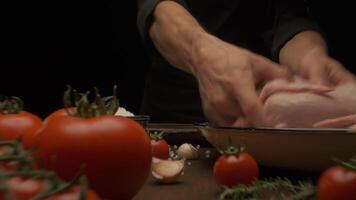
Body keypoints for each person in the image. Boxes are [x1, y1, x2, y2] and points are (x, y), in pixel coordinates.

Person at [136, 0, 355, 126]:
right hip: (174, 126)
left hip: (260, 128)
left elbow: (287, 13)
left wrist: (309, 54)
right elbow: (158, 10)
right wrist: (200, 51)